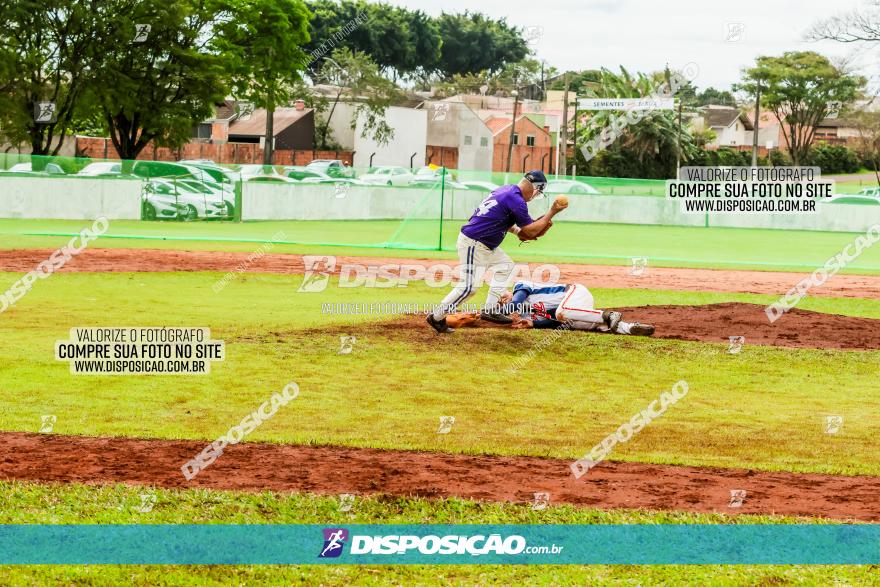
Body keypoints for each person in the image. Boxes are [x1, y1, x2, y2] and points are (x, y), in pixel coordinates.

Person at [427, 170, 566, 334]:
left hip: (484, 243)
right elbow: (528, 232)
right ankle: (436, 317)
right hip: (475, 242)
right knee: (468, 288)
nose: (535, 197)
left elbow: (507, 224)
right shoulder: (517, 199)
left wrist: (526, 230)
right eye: (538, 193)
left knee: (506, 266)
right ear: (536, 188)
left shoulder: (506, 190)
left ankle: (490, 309)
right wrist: (552, 212)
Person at [501, 280, 655, 335]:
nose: (504, 300)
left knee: (564, 312)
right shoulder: (526, 316)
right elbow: (559, 322)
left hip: (576, 292)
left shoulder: (520, 286)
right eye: (501, 303)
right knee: (577, 323)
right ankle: (629, 328)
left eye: (503, 298)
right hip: (576, 309)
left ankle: (608, 315)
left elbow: (514, 303)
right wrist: (534, 324)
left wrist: (489, 312)